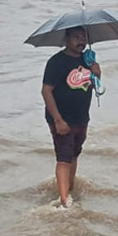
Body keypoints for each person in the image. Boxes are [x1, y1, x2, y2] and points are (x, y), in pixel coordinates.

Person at [42, 25, 101, 207]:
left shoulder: (87, 60)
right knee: (63, 157)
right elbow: (46, 91)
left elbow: (93, 86)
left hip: (81, 117)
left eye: (83, 37)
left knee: (74, 154)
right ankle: (64, 201)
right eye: (76, 37)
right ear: (67, 39)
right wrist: (58, 120)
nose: (81, 41)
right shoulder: (56, 62)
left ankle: (70, 189)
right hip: (62, 118)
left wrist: (97, 73)